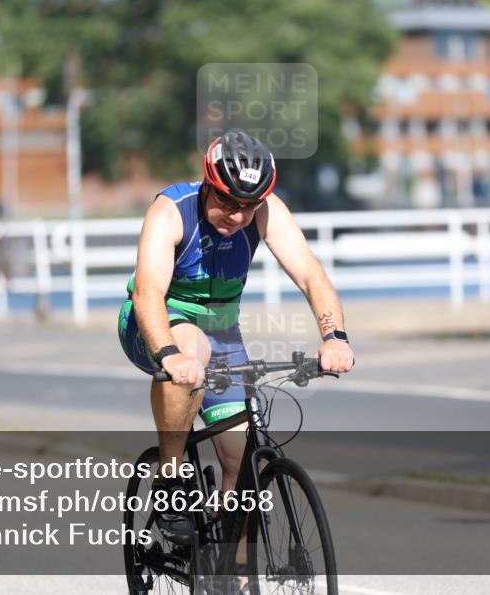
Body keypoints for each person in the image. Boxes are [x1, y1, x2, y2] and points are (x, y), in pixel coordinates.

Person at [118, 130, 355, 546]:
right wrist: (170, 354)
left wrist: (334, 336)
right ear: (208, 184)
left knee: (243, 463)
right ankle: (170, 480)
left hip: (221, 334)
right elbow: (147, 293)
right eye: (228, 202)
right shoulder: (171, 210)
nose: (237, 216)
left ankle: (235, 569)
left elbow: (310, 275)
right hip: (154, 324)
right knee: (192, 347)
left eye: (248, 207)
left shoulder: (266, 211)